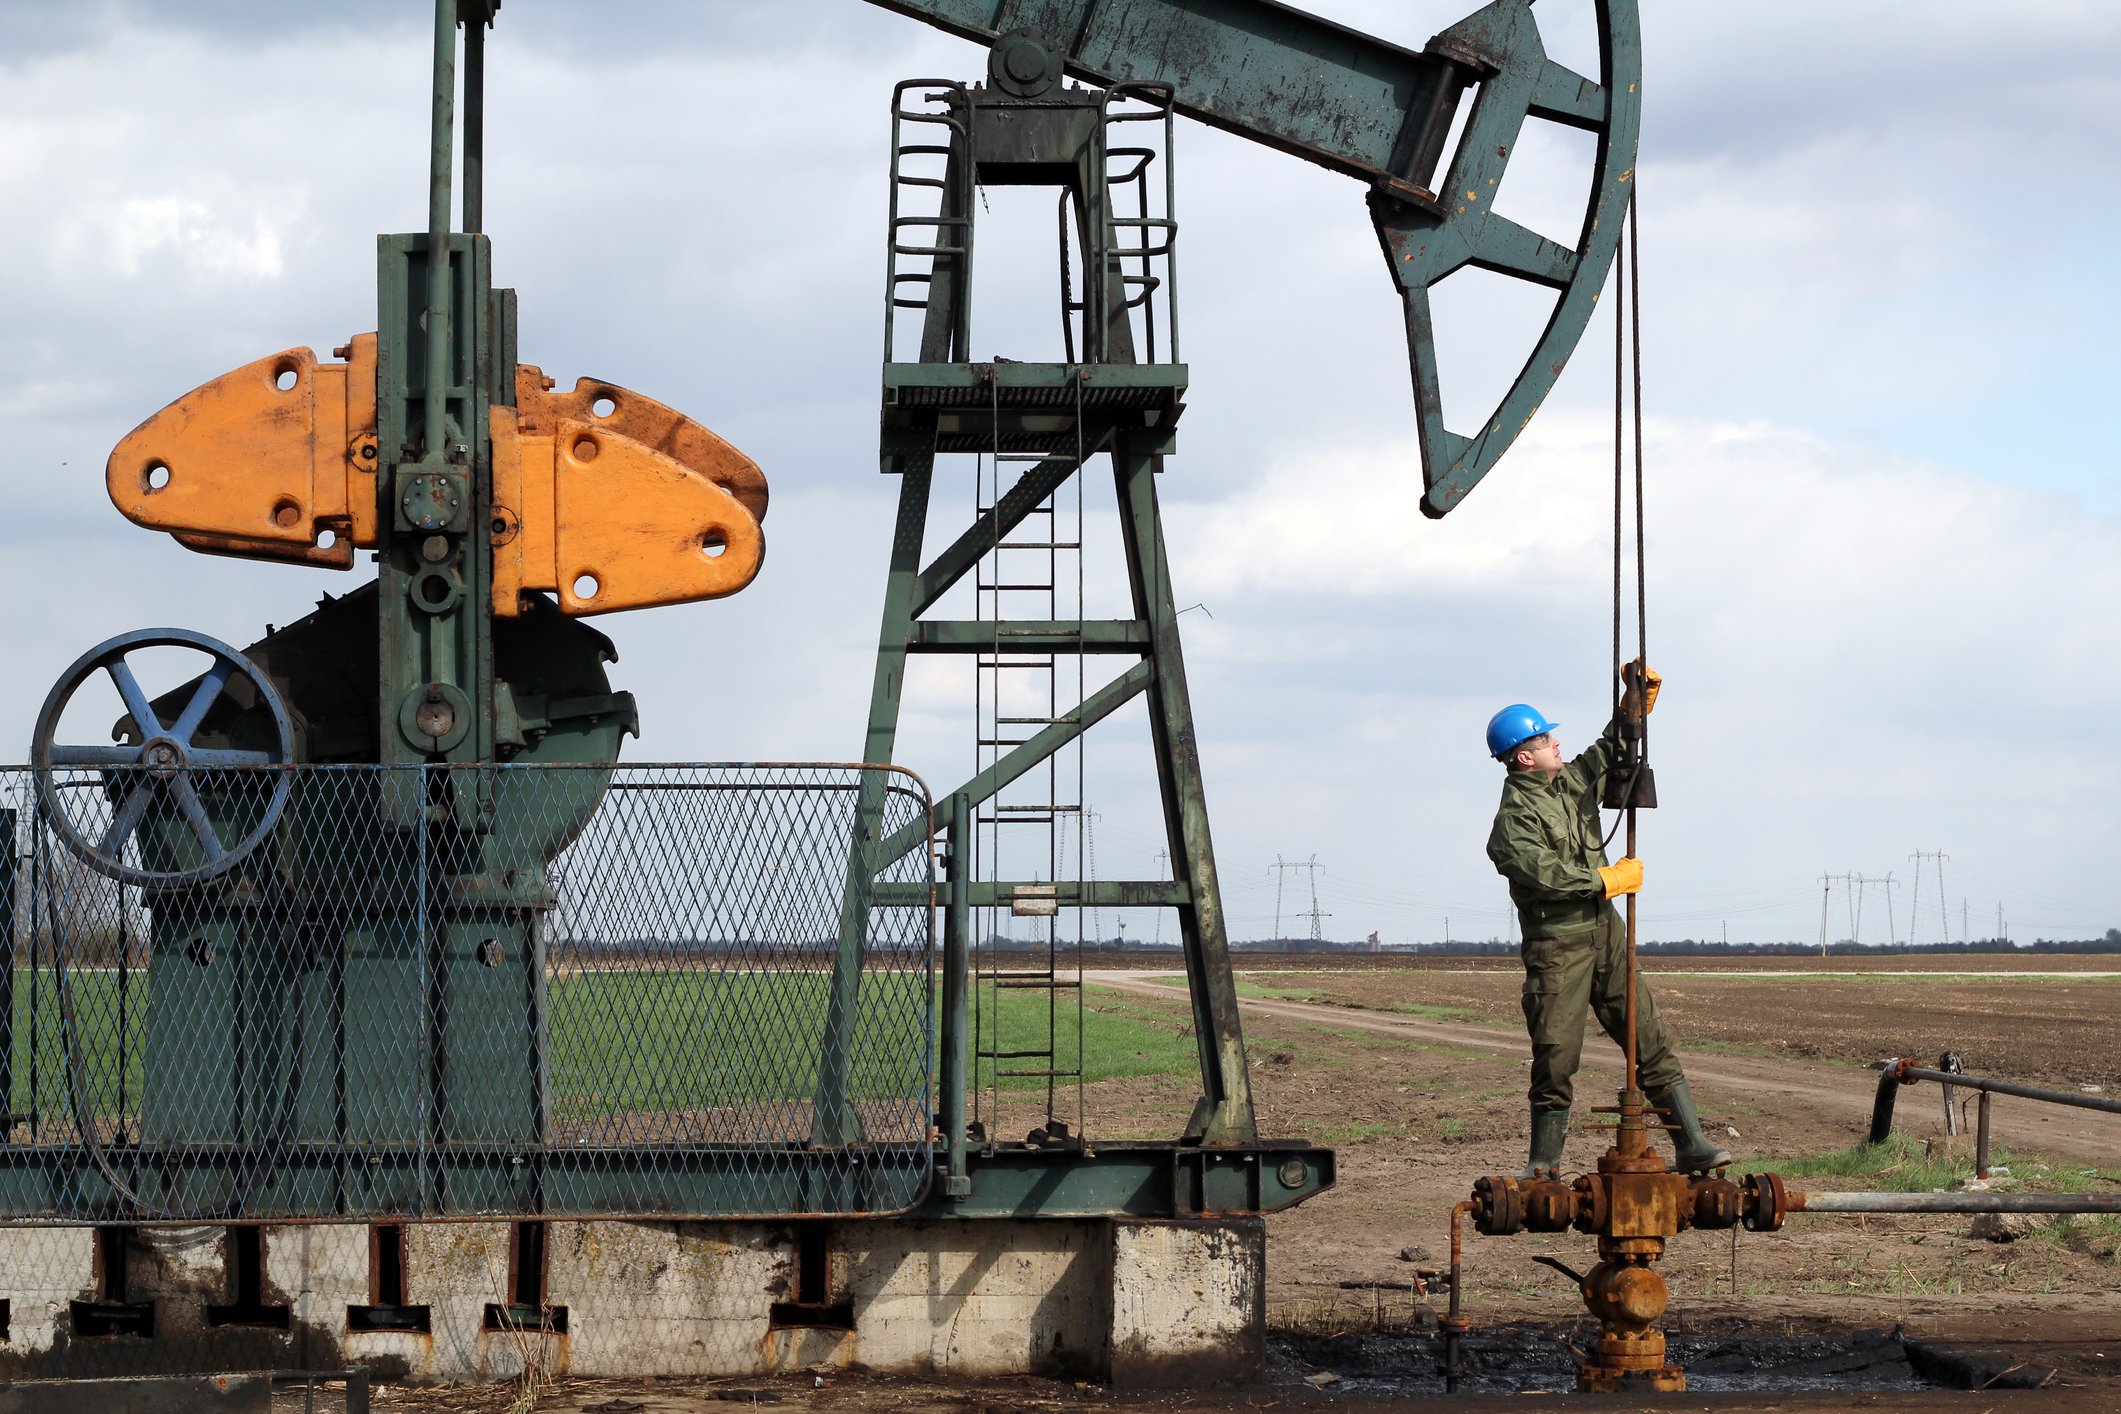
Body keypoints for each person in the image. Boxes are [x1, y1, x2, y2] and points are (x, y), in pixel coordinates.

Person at [1483, 666, 1730, 1180]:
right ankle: (1543, 1165)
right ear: (1523, 756)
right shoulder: (1512, 822)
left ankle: (1692, 1145)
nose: (1556, 743)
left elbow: (1609, 751)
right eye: (1545, 739)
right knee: (1556, 1057)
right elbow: (1544, 874)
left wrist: (1633, 703)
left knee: (1649, 1037)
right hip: (1558, 948)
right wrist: (1606, 879)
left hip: (1607, 936)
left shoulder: (1570, 783)